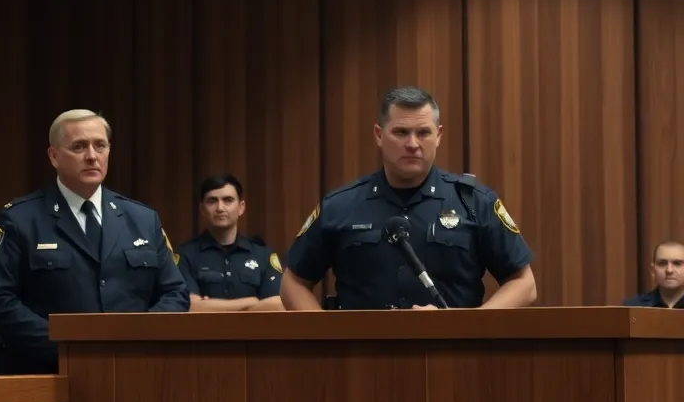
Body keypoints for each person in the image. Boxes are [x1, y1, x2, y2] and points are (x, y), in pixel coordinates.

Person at [280, 86, 537, 310]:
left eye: (423, 133)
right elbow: (293, 283)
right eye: (401, 132)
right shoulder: (341, 205)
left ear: (438, 136)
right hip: (360, 358)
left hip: (453, 356)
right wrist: (329, 336)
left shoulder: (474, 201)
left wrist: (468, 324)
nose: (413, 143)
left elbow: (524, 284)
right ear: (379, 135)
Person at [0, 109, 189, 373]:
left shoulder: (143, 218)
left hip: (134, 370)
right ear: (54, 156)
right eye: (79, 147)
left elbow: (175, 293)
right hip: (47, 372)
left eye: (99, 145)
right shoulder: (20, 219)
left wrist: (137, 338)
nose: (92, 156)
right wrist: (71, 347)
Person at [176, 174, 285, 312]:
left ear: (241, 207)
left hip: (253, 333)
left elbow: (278, 306)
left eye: (228, 200)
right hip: (205, 333)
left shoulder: (263, 255)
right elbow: (191, 307)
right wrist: (253, 302)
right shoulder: (185, 255)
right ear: (202, 209)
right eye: (212, 201)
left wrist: (210, 307)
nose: (220, 208)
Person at [623, 240, 684, 308]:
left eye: (677, 263)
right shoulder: (633, 306)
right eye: (662, 263)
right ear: (653, 270)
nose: (669, 270)